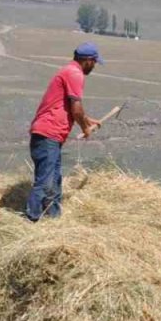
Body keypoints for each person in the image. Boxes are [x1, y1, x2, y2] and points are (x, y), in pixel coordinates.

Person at [24, 43, 102, 221]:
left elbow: (67, 106)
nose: (95, 66)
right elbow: (76, 108)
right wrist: (85, 128)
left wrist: (88, 120)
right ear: (88, 60)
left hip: (51, 135)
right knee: (44, 181)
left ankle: (54, 219)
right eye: (95, 62)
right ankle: (31, 219)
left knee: (55, 179)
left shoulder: (68, 71)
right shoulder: (75, 74)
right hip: (47, 134)